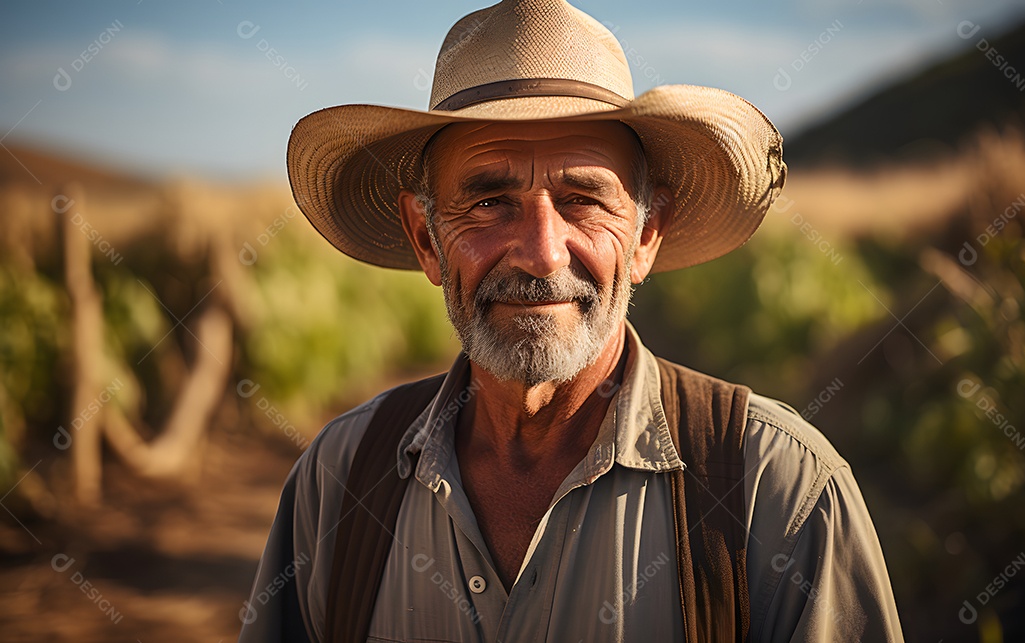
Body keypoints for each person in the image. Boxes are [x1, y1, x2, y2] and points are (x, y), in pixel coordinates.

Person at [239, 1, 904, 641]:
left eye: (583, 199)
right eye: (491, 201)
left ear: (647, 236)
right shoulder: (339, 481)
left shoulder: (777, 492)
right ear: (425, 238)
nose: (542, 252)